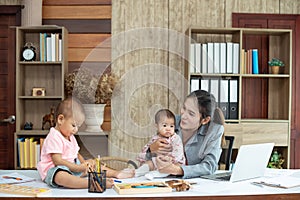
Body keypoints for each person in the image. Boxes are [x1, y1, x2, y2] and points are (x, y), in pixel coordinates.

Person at [37, 97, 133, 189]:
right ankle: (92, 183)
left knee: (94, 163)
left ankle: (115, 173)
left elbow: (77, 154)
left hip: (72, 167)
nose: (76, 130)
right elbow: (57, 161)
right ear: (60, 119)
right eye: (73, 125)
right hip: (54, 169)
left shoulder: (70, 136)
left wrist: (85, 164)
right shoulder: (54, 136)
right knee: (61, 176)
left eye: (78, 126)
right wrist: (78, 168)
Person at [146, 90, 224, 179]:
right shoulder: (171, 122)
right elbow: (147, 158)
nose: (183, 116)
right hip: (165, 179)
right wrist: (151, 149)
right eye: (184, 108)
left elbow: (210, 166)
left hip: (197, 183)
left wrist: (177, 170)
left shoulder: (214, 130)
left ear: (205, 120)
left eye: (191, 114)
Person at [135, 109, 185, 178]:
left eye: (171, 126)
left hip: (172, 162)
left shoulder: (175, 138)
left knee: (172, 167)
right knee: (149, 163)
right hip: (157, 161)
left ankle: (155, 174)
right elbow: (145, 151)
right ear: (157, 126)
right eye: (164, 125)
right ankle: (137, 173)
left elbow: (178, 152)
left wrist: (171, 159)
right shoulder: (155, 139)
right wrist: (150, 151)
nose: (168, 129)